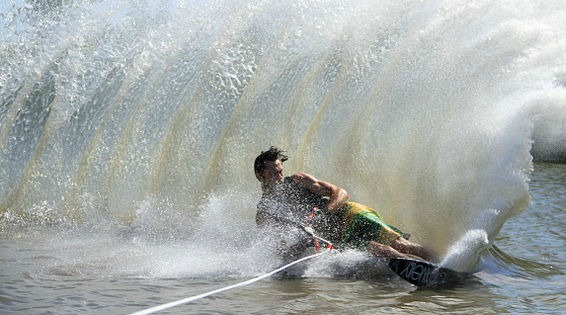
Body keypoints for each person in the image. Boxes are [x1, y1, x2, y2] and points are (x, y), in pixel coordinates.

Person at [254, 146, 438, 263]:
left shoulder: (298, 180)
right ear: (260, 176)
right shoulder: (264, 212)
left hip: (352, 215)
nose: (279, 178)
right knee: (384, 251)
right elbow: (278, 245)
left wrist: (324, 214)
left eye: (280, 171)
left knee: (404, 246)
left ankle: (446, 264)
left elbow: (340, 192)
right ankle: (429, 273)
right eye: (272, 174)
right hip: (338, 237)